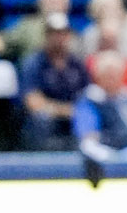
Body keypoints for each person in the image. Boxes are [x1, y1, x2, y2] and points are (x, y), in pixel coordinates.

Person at [19, 13, 88, 150]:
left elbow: (88, 95)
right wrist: (67, 110)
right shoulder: (33, 63)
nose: (59, 38)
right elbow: (33, 102)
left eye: (63, 33)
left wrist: (79, 111)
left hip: (72, 118)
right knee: (41, 118)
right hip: (48, 119)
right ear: (46, 35)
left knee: (89, 117)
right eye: (54, 33)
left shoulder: (77, 64)